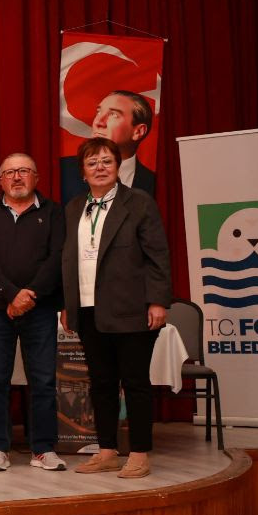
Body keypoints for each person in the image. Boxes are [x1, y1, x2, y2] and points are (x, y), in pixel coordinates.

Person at [61, 137, 172, 479]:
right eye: (92, 162)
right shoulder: (74, 207)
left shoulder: (138, 203)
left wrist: (157, 300)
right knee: (101, 383)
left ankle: (139, 453)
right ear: (83, 171)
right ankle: (107, 451)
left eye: (106, 161)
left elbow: (157, 256)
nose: (100, 168)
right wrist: (69, 305)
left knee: (135, 382)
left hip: (131, 309)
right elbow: (69, 260)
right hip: (88, 309)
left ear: (118, 166)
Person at [0, 153, 68, 472]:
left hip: (40, 309)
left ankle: (43, 449)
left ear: (36, 177)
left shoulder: (53, 212)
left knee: (42, 380)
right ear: (0, 180)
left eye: (24, 171)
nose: (16, 177)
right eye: (9, 172)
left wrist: (30, 296)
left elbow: (57, 259)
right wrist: (12, 295)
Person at [64, 90, 158, 200]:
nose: (98, 122)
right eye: (98, 112)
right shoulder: (64, 171)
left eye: (113, 114)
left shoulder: (155, 183)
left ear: (138, 132)